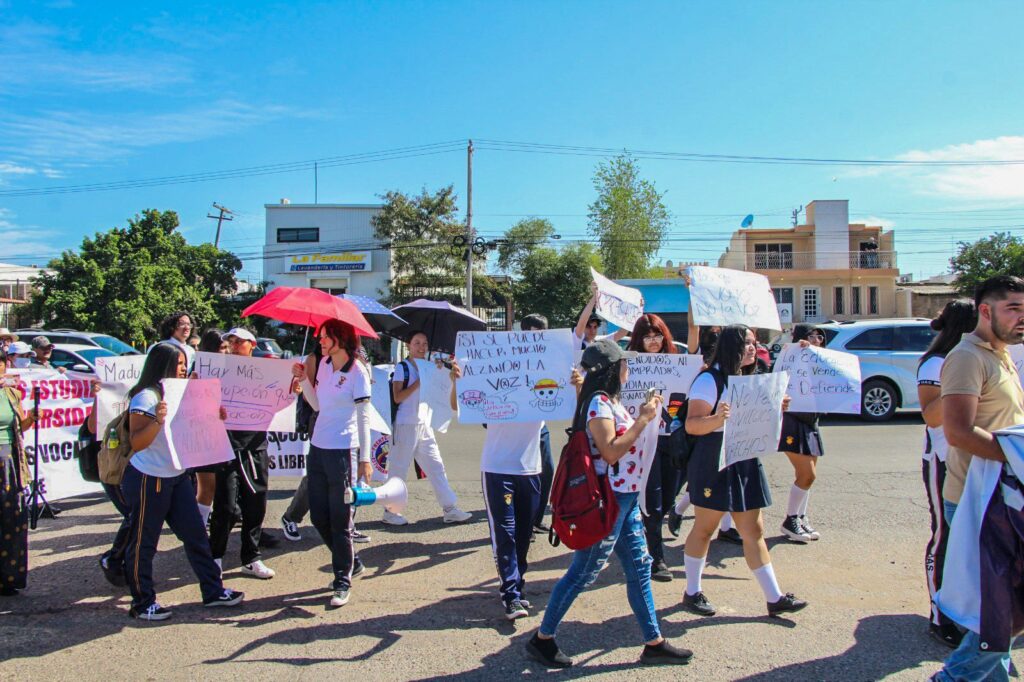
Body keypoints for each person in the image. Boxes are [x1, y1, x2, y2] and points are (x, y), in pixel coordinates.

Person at [526, 339, 692, 668]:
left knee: (639, 568)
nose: (628, 368)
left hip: (625, 499)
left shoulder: (608, 401)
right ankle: (542, 639)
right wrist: (643, 419)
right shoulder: (599, 404)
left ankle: (654, 642)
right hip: (608, 500)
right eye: (623, 363)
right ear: (613, 370)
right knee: (583, 572)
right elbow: (611, 451)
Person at [680, 325, 807, 618]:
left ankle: (775, 598)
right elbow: (692, 425)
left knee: (754, 530)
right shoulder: (709, 380)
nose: (752, 347)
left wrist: (775, 408)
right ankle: (692, 592)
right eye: (746, 343)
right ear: (730, 346)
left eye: (754, 342)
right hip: (713, 459)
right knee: (704, 529)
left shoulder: (751, 378)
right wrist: (717, 418)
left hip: (744, 459)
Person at [933, 276, 1024, 681]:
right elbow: (959, 432)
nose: (1022, 318)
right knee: (1003, 608)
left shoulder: (1001, 354)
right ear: (985, 311)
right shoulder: (967, 357)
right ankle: (953, 677)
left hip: (1003, 495)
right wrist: (1018, 457)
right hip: (978, 500)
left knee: (1004, 605)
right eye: (1013, 309)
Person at [122, 343, 244, 620]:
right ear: (162, 365)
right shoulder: (146, 397)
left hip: (176, 476)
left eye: (183, 363)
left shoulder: (180, 392)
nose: (183, 368)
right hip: (149, 478)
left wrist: (213, 416)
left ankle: (213, 591)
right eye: (178, 363)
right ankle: (142, 602)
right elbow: (137, 442)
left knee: (196, 535)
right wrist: (157, 420)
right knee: (144, 543)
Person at [291, 319, 373, 607]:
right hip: (318, 448)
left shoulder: (357, 371)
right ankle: (353, 561)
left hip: (343, 451)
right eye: (320, 336)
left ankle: (342, 581)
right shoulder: (324, 365)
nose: (321, 341)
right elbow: (318, 405)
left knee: (341, 520)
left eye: (325, 336)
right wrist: (304, 380)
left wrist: (365, 459)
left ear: (340, 338)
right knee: (318, 517)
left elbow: (364, 416)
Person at [917, 299, 976, 649]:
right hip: (943, 460)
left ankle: (970, 609)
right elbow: (931, 415)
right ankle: (940, 615)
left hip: (979, 460)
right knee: (945, 535)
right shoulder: (936, 363)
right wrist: (963, 382)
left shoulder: (990, 359)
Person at [208, 328, 277, 580]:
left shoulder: (266, 373)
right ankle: (215, 557)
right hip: (224, 446)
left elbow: (281, 399)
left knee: (255, 504)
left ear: (252, 345)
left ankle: (251, 557)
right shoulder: (215, 371)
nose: (234, 345)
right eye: (231, 341)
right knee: (225, 506)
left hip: (255, 446)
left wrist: (293, 388)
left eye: (240, 342)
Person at [383, 331, 471, 526]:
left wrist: (442, 373)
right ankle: (390, 511)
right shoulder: (402, 367)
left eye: (424, 343)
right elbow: (398, 397)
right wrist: (419, 381)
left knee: (436, 466)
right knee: (399, 468)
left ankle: (450, 508)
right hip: (405, 424)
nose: (421, 347)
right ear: (408, 345)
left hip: (424, 423)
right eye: (417, 343)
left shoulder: (431, 366)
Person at [670, 318, 739, 544]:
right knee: (700, 484)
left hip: (728, 438)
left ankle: (726, 527)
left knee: (722, 485)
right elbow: (692, 326)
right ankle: (678, 510)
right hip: (703, 429)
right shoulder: (705, 367)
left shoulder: (738, 371)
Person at [626, 313, 682, 582]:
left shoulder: (677, 362)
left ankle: (642, 536)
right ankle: (656, 558)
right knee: (653, 501)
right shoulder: (628, 364)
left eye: (657, 335)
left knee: (669, 497)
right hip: (643, 442)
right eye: (647, 336)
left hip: (672, 439)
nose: (653, 341)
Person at [778, 324, 829, 543]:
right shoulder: (794, 355)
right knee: (807, 474)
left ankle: (800, 516)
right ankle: (790, 520)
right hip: (793, 420)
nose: (817, 340)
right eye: (812, 336)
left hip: (811, 421)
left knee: (808, 476)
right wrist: (798, 349)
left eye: (820, 336)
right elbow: (785, 366)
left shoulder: (822, 361)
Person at [85, 380, 132, 588]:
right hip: (115, 468)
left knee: (142, 517)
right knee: (134, 514)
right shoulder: (109, 397)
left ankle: (128, 564)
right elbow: (92, 427)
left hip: (138, 465)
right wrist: (99, 397)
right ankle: (113, 559)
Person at [0, 350, 34, 595]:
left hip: (11, 460)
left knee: (12, 518)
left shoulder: (11, 393)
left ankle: (8, 578)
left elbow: (21, 425)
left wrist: (31, 418)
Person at [521, 314, 555, 533]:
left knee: (547, 470)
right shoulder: (513, 355)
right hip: (519, 428)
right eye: (535, 332)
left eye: (543, 332)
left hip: (540, 426)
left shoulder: (550, 356)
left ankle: (536, 519)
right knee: (525, 476)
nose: (539, 337)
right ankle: (525, 525)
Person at [192, 329, 229, 526]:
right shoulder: (198, 370)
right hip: (204, 435)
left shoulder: (233, 369)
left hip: (225, 436)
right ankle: (198, 528)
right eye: (223, 348)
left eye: (227, 347)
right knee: (207, 488)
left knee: (221, 488)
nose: (227, 352)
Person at [573, 282, 628, 350]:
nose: (592, 330)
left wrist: (631, 310)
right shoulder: (577, 343)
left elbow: (622, 333)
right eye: (589, 326)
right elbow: (582, 323)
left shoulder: (599, 344)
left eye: (595, 327)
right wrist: (595, 296)